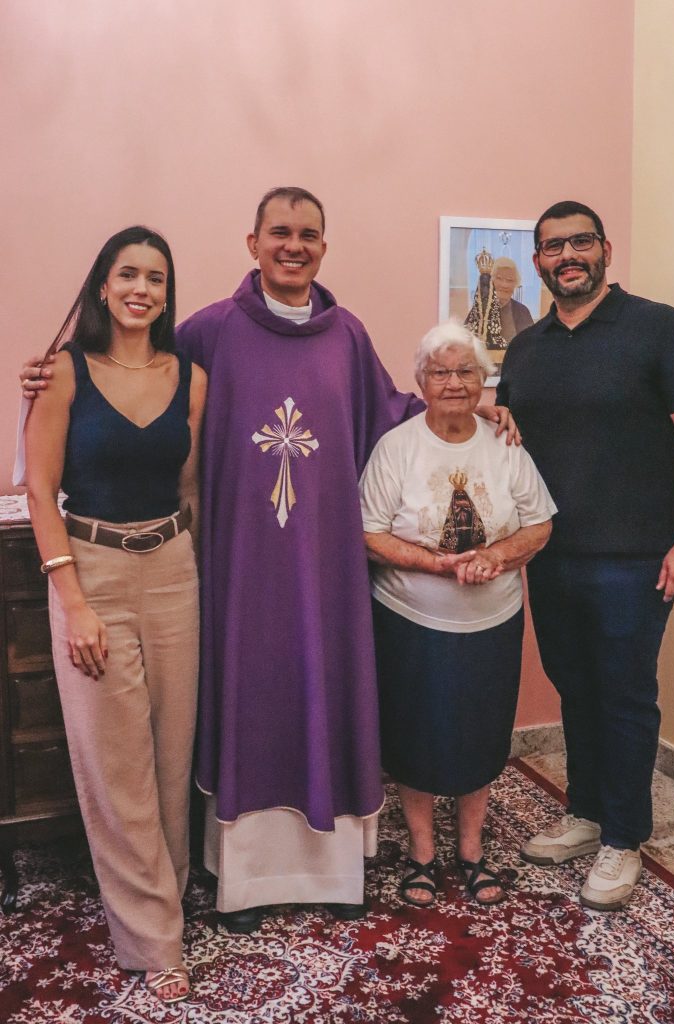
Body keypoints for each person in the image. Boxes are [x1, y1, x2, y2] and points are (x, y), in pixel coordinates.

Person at [21, 187, 516, 933]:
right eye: (279, 232)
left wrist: (465, 406)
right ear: (252, 244)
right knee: (243, 700)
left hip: (325, 569)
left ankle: (329, 872)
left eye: (308, 234)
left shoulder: (346, 336)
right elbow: (136, 373)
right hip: (237, 568)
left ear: (324, 247)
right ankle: (243, 879)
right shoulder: (211, 331)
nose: (294, 245)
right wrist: (45, 378)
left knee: (323, 692)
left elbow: (388, 410)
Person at [496, 200, 674, 911]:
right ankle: (588, 814)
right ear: (538, 261)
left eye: (580, 242)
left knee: (623, 694)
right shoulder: (527, 349)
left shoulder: (660, 329)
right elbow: (509, 434)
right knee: (575, 685)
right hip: (551, 554)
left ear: (605, 250)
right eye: (553, 246)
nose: (568, 256)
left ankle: (624, 837)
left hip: (635, 559)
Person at [24, 226, 207, 1002]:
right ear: (103, 285)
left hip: (173, 569)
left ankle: (169, 898)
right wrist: (74, 604)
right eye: (128, 274)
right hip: (91, 569)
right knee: (117, 765)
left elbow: (192, 489)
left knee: (170, 757)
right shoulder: (62, 372)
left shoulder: (191, 378)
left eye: (155, 278)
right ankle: (155, 940)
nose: (142, 289)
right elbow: (40, 492)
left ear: (167, 294)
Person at [360, 323, 555, 907]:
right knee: (414, 734)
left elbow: (540, 523)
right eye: (440, 372)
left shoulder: (504, 443)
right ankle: (422, 853)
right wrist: (438, 565)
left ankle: (471, 849)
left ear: (483, 380)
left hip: (493, 622)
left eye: (466, 371)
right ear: (421, 381)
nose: (453, 383)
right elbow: (369, 534)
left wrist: (496, 556)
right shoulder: (396, 447)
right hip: (410, 621)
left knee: (481, 733)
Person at [464, 252, 534, 359]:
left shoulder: (522, 312)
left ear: (515, 284)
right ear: (491, 281)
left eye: (509, 280)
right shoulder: (478, 310)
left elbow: (530, 347)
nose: (504, 285)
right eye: (499, 278)